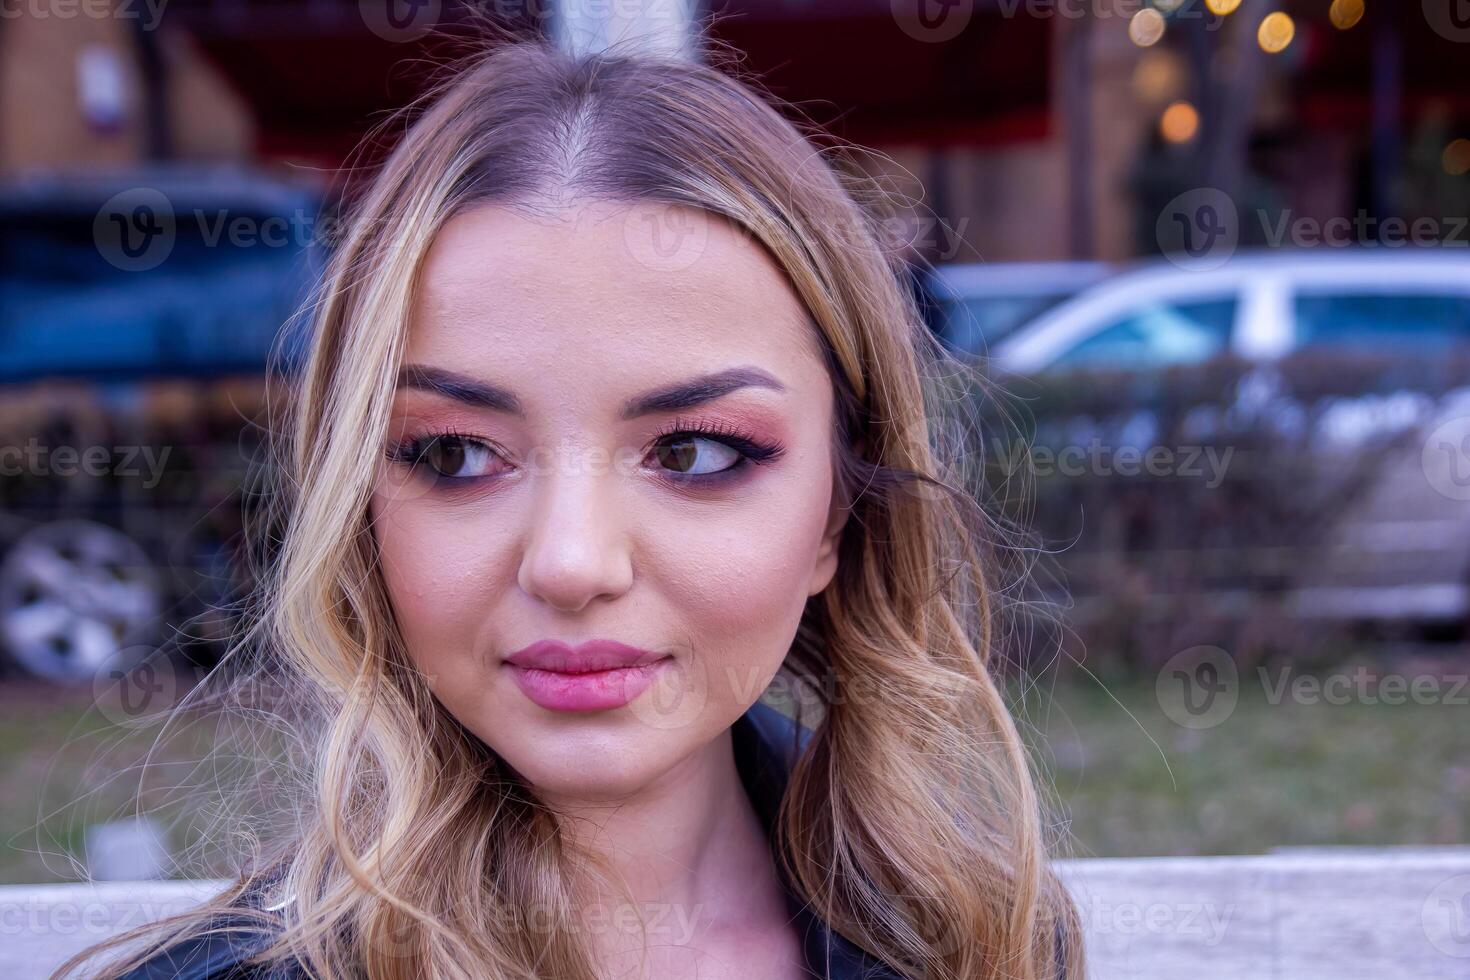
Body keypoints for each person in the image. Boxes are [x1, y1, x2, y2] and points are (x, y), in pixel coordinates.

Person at [60, 34, 1081, 980]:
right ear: (357, 502)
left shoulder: (979, 945)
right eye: (455, 454)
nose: (571, 561)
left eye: (695, 450)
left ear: (834, 510)